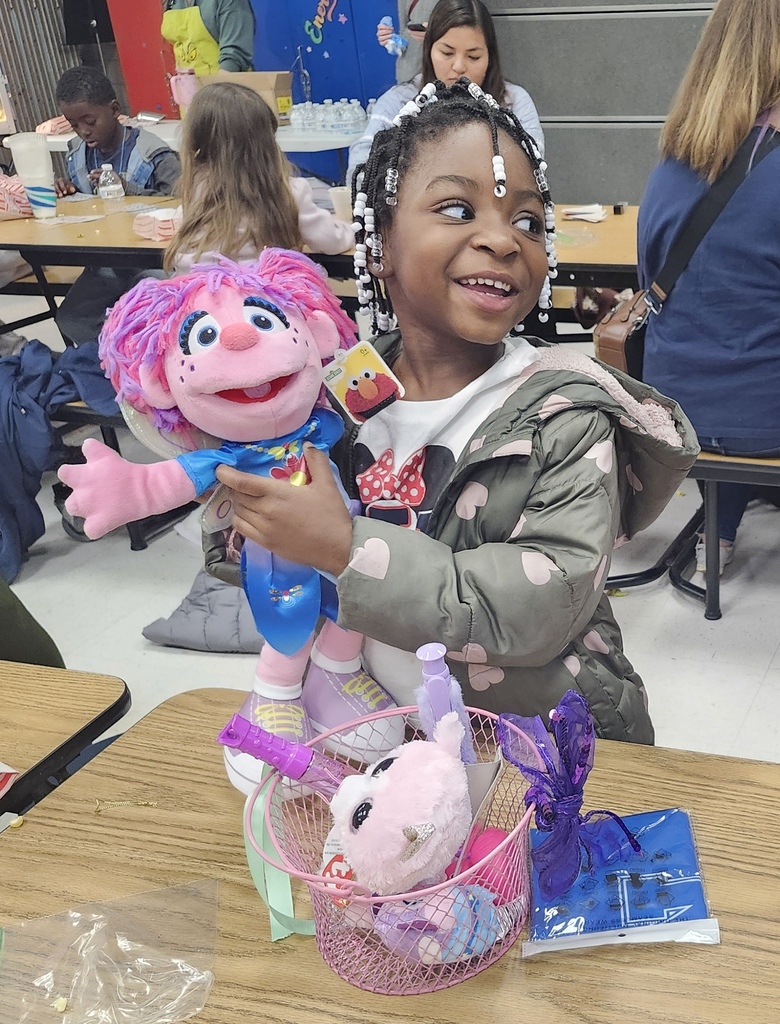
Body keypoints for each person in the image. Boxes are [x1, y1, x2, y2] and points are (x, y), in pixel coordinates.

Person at [213, 79, 699, 744]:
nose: (503, 240)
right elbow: (265, 560)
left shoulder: (566, 413)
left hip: (537, 756)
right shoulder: (335, 394)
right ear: (378, 242)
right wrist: (257, 531)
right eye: (456, 208)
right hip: (377, 743)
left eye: (527, 221)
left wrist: (342, 547)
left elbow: (541, 605)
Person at [638, 0, 780, 576]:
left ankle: (717, 529)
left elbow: (650, 283)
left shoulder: (672, 164)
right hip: (765, 416)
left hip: (676, 413)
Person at [347, 0, 544, 186]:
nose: (458, 67)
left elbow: (532, 171)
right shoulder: (400, 101)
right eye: (447, 53)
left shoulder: (513, 101)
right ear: (429, 50)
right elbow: (360, 171)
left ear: (490, 57)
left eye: (473, 57)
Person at [163, 81, 354, 273]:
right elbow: (330, 241)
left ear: (197, 141)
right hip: (263, 297)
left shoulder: (195, 188)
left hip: (197, 296)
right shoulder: (287, 191)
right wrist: (350, 227)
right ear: (267, 141)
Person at [52, 65, 181, 345]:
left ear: (113, 109)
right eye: (74, 125)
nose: (83, 131)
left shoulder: (153, 153)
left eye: (89, 121)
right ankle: (122, 354)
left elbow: (183, 204)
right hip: (106, 262)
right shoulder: (76, 154)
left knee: (162, 314)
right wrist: (68, 194)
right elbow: (88, 209)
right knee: (72, 318)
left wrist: (130, 190)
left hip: (153, 262)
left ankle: (146, 355)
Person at [162, 0, 254, 75]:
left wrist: (215, 93)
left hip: (225, 89)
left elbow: (234, 54)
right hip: (188, 88)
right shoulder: (172, 3)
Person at [377, 1, 437, 84]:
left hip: (437, 74)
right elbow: (404, 32)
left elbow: (459, 31)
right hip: (407, 75)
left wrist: (436, 35)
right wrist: (390, 39)